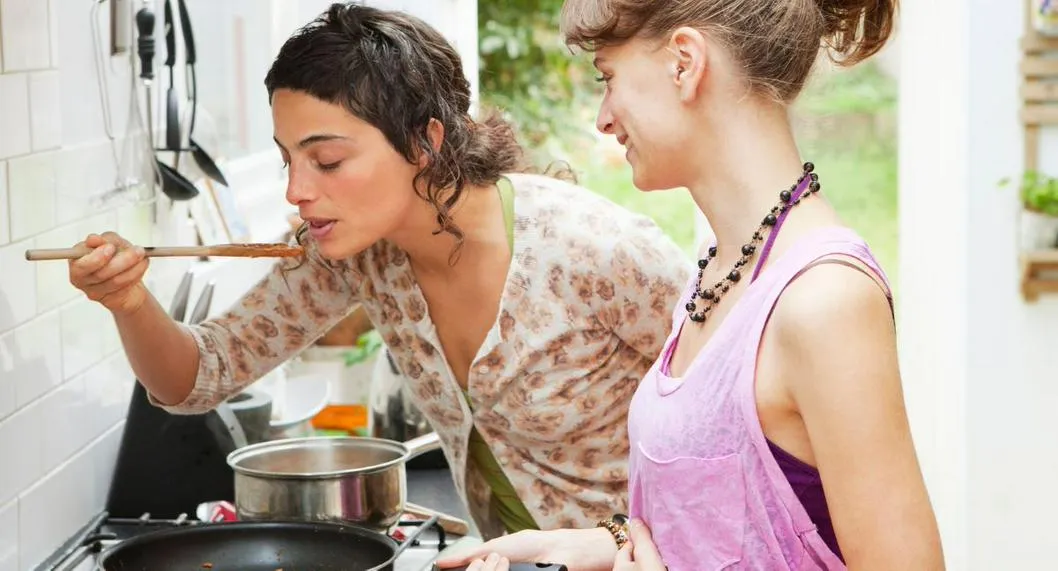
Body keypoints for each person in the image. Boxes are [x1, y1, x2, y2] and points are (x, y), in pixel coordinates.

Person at [66, 2, 692, 540]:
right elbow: (196, 379)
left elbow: (740, 420)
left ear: (427, 142)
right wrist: (129, 301)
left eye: (328, 161)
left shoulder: (595, 250)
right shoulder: (357, 255)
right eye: (287, 161)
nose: (296, 191)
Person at [437, 0, 945, 569]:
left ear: (684, 62)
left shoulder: (824, 302)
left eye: (609, 78)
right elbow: (728, 528)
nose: (603, 118)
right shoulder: (719, 267)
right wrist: (594, 543)